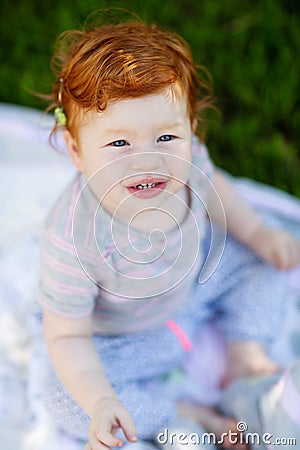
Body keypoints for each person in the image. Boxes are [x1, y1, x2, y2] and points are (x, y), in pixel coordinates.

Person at [37, 18, 300, 450]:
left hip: (195, 282)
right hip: (127, 338)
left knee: (262, 257)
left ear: (191, 131)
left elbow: (221, 197)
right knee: (67, 396)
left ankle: (245, 355)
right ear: (76, 151)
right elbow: (67, 334)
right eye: (119, 144)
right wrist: (102, 399)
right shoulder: (72, 239)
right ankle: (180, 414)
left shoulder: (190, 157)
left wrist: (258, 233)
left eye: (165, 136)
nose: (147, 161)